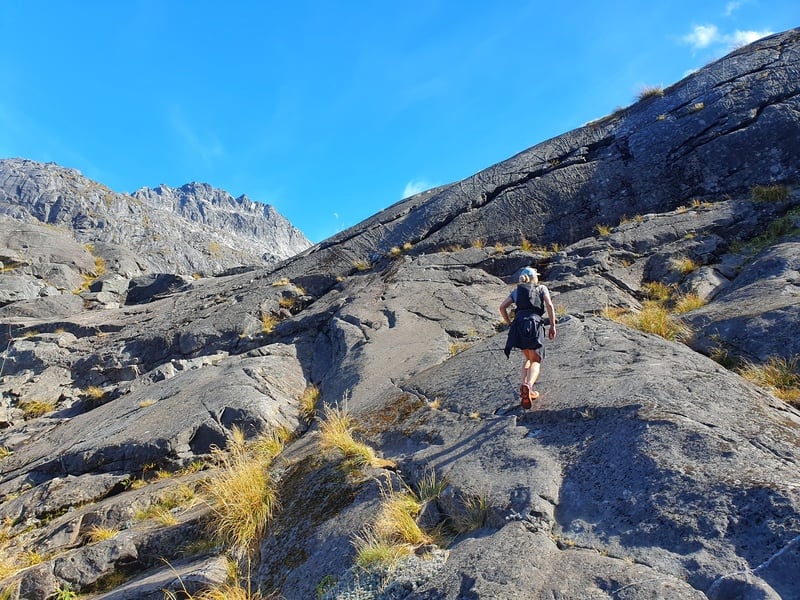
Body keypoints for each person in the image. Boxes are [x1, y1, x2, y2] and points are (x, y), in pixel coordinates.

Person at [499, 267, 557, 409]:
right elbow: (549, 305)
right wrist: (552, 326)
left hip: (518, 325)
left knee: (527, 359)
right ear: (534, 277)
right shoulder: (541, 288)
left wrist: (509, 323)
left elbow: (502, 307)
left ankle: (524, 387)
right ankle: (529, 386)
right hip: (534, 324)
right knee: (536, 360)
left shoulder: (516, 291)